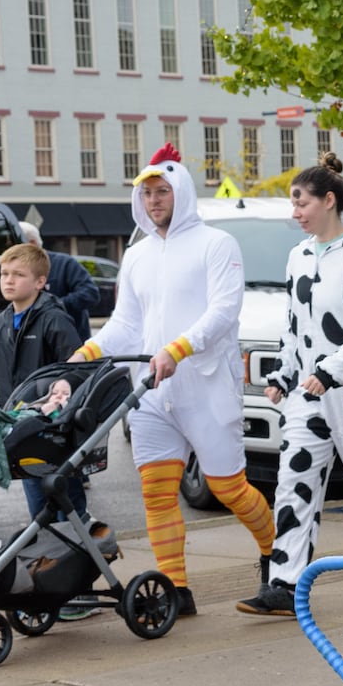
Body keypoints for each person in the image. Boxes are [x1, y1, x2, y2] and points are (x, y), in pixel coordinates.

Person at [70, 144, 274, 617]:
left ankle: (274, 555)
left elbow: (224, 312)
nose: (153, 201)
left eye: (162, 191)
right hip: (153, 392)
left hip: (205, 385)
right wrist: (88, 351)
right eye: (146, 194)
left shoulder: (216, 244)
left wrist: (177, 349)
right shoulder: (137, 255)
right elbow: (126, 323)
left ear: (180, 192)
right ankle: (176, 592)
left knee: (229, 488)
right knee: (157, 494)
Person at [236, 152, 343, 616]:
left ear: (328, 201)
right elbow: (296, 328)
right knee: (293, 486)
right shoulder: (298, 257)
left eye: (300, 202)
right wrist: (283, 375)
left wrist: (330, 370)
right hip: (307, 395)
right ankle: (284, 586)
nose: (294, 212)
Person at [0, 243, 87, 523]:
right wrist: (4, 409)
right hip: (20, 427)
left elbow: (75, 367)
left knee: (67, 499)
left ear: (40, 282)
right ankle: (49, 560)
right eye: (4, 273)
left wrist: (58, 409)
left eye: (18, 274)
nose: (8, 280)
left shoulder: (53, 318)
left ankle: (81, 556)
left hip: (54, 428)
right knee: (38, 508)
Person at [17, 221, 101, 342]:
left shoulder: (64, 264)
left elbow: (90, 293)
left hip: (70, 343)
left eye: (14, 247)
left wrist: (55, 306)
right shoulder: (15, 272)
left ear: (32, 244)